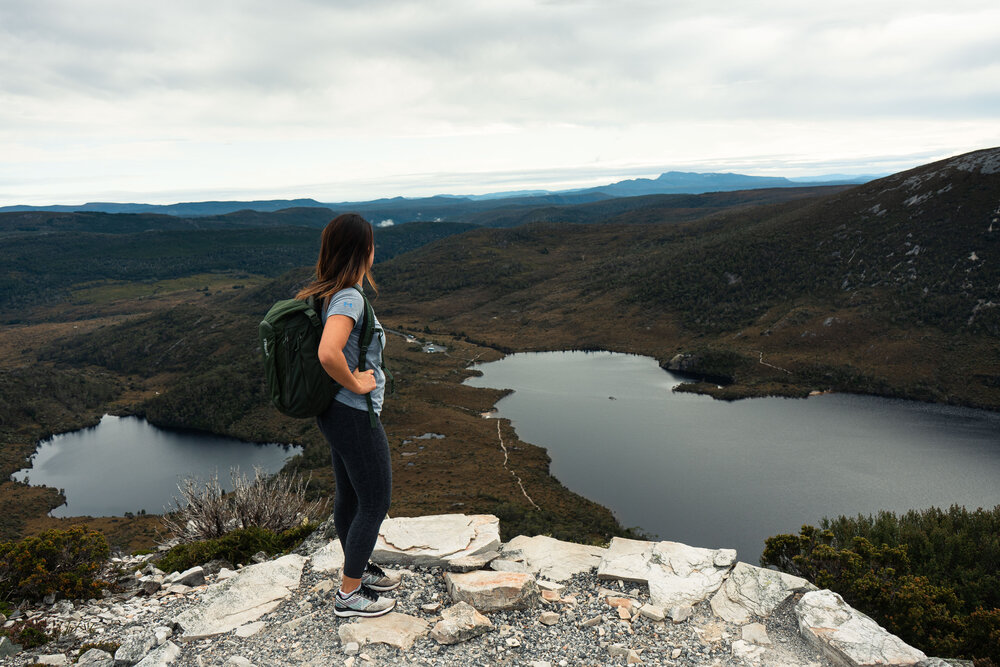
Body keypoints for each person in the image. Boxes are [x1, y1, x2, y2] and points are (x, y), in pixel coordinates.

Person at [296, 213, 401, 618]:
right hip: (354, 414)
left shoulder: (329, 291)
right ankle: (349, 595)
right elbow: (328, 352)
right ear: (364, 251)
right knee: (375, 501)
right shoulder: (350, 297)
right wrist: (358, 385)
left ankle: (356, 571)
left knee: (351, 497)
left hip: (335, 413)